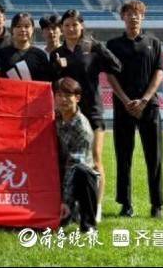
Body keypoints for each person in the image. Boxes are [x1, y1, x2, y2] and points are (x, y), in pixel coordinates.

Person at [50, 9, 121, 222]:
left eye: (75, 24)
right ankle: (70, 205)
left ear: (82, 26)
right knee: (68, 160)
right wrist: (56, 68)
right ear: (61, 29)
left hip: (92, 111)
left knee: (95, 159)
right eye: (67, 25)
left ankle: (95, 206)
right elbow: (52, 83)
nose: (71, 28)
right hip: (66, 113)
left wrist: (100, 47)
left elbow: (117, 66)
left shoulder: (91, 48)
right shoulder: (58, 53)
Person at [106, 0, 163, 219]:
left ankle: (157, 204)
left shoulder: (154, 43)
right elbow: (110, 75)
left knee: (154, 156)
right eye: (129, 13)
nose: (133, 17)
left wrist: (145, 100)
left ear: (143, 17)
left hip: (149, 107)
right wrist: (125, 100)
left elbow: (159, 72)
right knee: (123, 157)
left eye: (137, 13)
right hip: (123, 107)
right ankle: (126, 204)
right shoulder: (113, 45)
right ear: (122, 17)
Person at [54, 77, 99, 233]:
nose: (63, 100)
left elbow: (73, 166)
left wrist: (65, 201)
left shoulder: (82, 128)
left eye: (68, 96)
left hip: (77, 178)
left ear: (77, 98)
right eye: (59, 95)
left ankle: (88, 225)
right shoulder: (56, 117)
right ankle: (69, 213)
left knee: (83, 172)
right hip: (60, 172)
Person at [0, 13, 53, 82]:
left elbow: (46, 82)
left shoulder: (40, 55)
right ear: (12, 29)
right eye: (18, 26)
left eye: (27, 26)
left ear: (32, 29)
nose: (23, 29)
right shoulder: (2, 54)